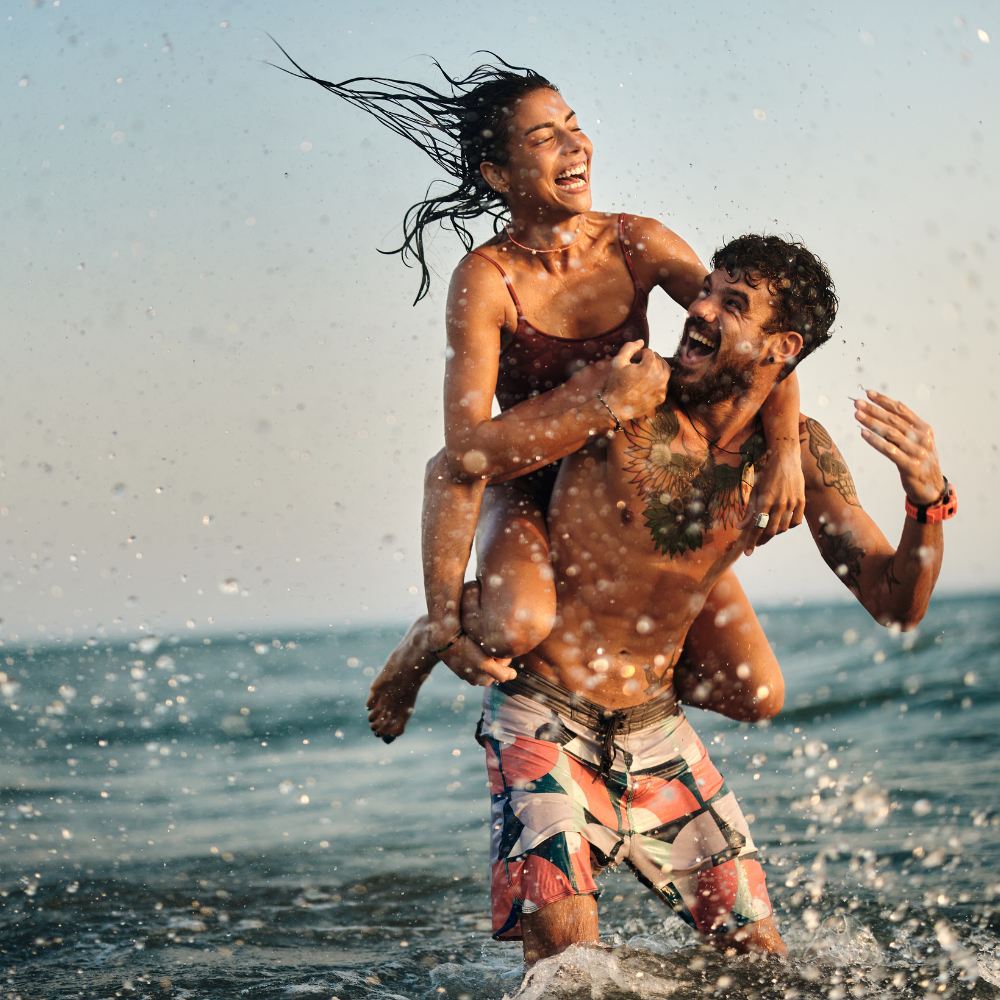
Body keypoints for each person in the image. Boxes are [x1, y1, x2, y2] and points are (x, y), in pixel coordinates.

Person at [270, 49, 805, 738]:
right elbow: (464, 451)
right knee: (517, 625)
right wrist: (605, 407)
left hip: (626, 492)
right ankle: (429, 637)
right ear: (499, 174)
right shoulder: (487, 279)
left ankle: (625, 692)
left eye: (574, 124)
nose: (574, 142)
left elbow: (752, 341)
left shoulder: (636, 243)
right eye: (542, 137)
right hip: (530, 480)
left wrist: (787, 448)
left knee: (754, 691)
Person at [466, 233, 952, 963]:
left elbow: (896, 604)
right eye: (706, 289)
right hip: (544, 717)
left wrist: (927, 501)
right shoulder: (626, 390)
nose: (696, 307)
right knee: (568, 972)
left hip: (658, 732)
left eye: (732, 303)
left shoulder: (799, 455)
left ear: (779, 347)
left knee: (762, 966)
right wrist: (451, 614)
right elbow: (476, 459)